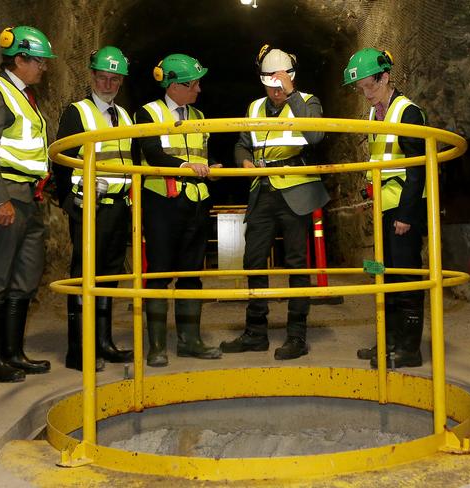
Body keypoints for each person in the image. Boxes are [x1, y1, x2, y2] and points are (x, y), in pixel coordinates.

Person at [220, 45, 330, 360]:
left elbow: (315, 137)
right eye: (272, 84)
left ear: (291, 80)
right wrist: (244, 163)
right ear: (263, 82)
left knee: (296, 264)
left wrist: (293, 94)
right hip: (262, 191)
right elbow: (242, 143)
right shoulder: (254, 108)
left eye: (282, 84)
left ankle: (297, 336)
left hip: (296, 190)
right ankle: (256, 332)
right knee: (253, 261)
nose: (276, 91)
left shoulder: (307, 102)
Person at [0, 26, 55, 382]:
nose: (44, 69)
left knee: (25, 277)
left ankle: (12, 353)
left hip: (28, 197)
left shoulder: (25, 96)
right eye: (40, 62)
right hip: (5, 195)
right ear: (19, 59)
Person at [134, 53, 222, 367]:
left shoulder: (198, 115)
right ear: (174, 85)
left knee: (191, 275)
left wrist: (209, 167)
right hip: (163, 204)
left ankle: (191, 341)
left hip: (196, 203)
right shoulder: (148, 113)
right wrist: (187, 166)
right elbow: (152, 152)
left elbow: (199, 152)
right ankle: (156, 346)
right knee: (158, 275)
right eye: (194, 84)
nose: (199, 90)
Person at [342, 48, 427, 368]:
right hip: (383, 207)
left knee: (405, 275)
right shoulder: (374, 113)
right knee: (384, 275)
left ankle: (409, 349)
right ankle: (389, 341)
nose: (366, 94)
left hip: (404, 209)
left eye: (370, 87)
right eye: (361, 89)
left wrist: (406, 215)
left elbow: (417, 169)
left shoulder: (408, 112)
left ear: (386, 77)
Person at [53, 46, 134, 371]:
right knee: (83, 275)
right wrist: (68, 202)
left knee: (109, 278)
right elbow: (59, 161)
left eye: (115, 79)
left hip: (118, 207)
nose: (108, 84)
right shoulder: (77, 113)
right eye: (103, 78)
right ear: (92, 77)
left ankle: (103, 342)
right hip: (89, 208)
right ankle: (79, 350)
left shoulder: (125, 116)